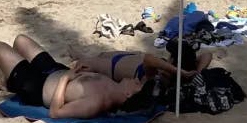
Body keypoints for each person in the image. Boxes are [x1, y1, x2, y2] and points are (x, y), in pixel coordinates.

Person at [0, 34, 144, 118]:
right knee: (20, 40)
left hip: (37, 86)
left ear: (128, 95)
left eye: (138, 85)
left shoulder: (97, 102)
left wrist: (66, 79)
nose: (137, 79)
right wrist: (86, 70)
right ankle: (7, 82)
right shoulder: (114, 85)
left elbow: (56, 112)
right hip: (54, 70)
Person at [72, 39, 212, 85]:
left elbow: (148, 59)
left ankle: (78, 55)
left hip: (114, 66)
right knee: (102, 54)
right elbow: (207, 54)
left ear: (174, 61)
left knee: (84, 61)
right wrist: (196, 73)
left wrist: (181, 72)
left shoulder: (159, 77)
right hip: (131, 57)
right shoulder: (174, 69)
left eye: (171, 56)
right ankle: (81, 55)